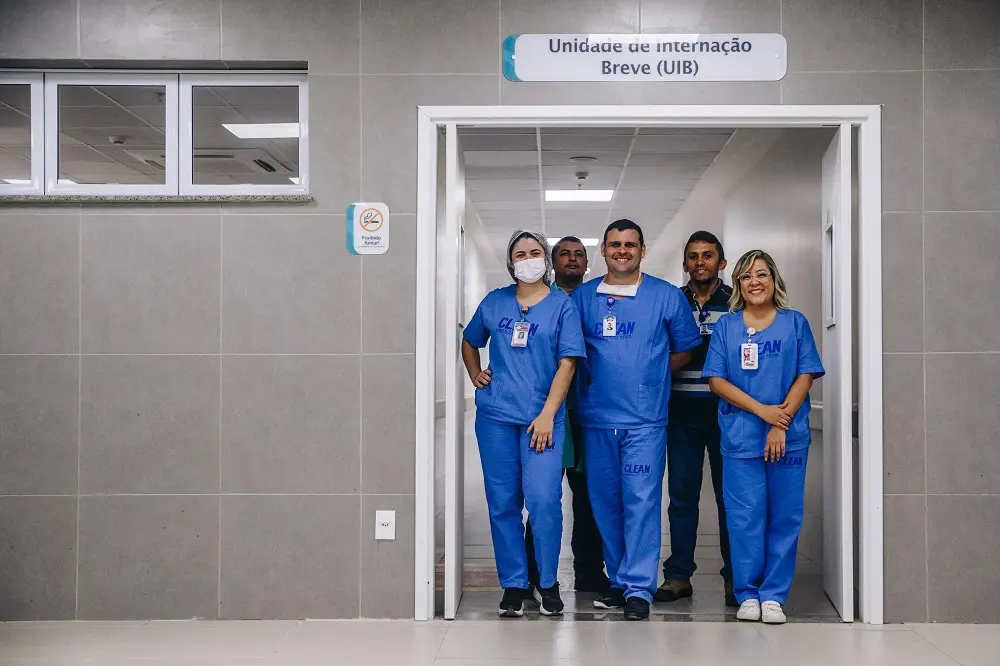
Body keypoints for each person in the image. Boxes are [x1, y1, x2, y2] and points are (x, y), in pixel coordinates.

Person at [571, 219, 702, 620]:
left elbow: (686, 348)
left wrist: (653, 372)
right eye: (615, 244)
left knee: (641, 501)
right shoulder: (583, 298)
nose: (622, 251)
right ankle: (619, 580)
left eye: (630, 244)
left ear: (642, 250)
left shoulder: (666, 296)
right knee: (605, 503)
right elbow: (568, 351)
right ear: (604, 250)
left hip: (645, 419)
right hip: (596, 417)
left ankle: (639, 589)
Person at [461, 229, 585, 618]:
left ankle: (546, 582)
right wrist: (475, 373)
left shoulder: (562, 306)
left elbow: (568, 362)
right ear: (510, 262)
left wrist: (548, 414)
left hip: (541, 420)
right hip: (496, 417)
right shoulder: (495, 302)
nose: (528, 259)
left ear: (545, 260)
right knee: (503, 503)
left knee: (544, 501)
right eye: (520, 254)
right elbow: (470, 340)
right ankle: (514, 584)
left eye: (534, 252)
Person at [701, 250, 825, 625]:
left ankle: (773, 596)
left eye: (762, 274)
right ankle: (748, 594)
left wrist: (779, 422)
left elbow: (805, 374)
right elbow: (716, 380)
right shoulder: (727, 327)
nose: (754, 282)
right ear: (738, 284)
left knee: (784, 517)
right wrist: (762, 412)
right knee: (745, 518)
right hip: (742, 438)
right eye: (746, 276)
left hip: (787, 438)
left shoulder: (794, 323)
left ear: (774, 280)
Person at [525, 237, 611, 596]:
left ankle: (590, 572)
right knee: (543, 496)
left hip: (589, 412)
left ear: (587, 263)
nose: (572, 259)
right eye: (565, 254)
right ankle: (533, 575)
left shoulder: (599, 300)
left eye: (579, 254)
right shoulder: (538, 300)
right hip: (546, 413)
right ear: (552, 261)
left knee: (590, 496)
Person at [656, 231, 737, 608]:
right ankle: (678, 576)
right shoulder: (672, 301)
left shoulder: (736, 302)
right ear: (685, 263)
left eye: (707, 255)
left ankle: (735, 576)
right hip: (681, 413)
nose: (699, 262)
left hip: (726, 414)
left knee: (730, 497)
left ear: (721, 262)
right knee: (682, 497)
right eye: (693, 256)